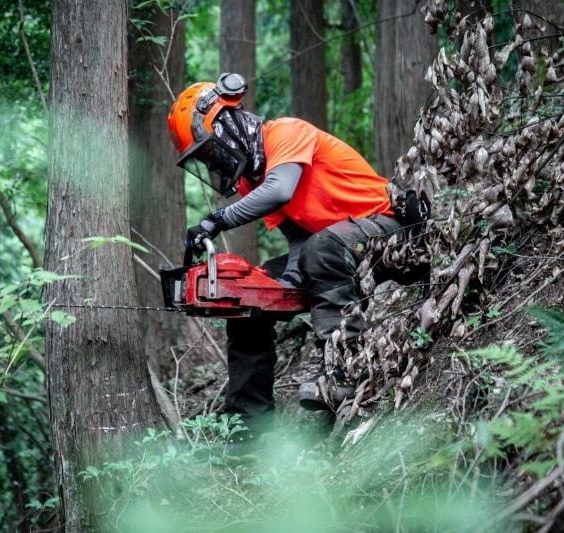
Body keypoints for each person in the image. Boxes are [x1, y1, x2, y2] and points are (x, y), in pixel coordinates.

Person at [167, 73, 405, 434]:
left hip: (384, 226)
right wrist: (285, 282)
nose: (213, 162)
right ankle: (248, 426)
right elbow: (298, 237)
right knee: (250, 289)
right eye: (204, 158)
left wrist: (216, 220)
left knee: (322, 247)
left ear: (224, 125)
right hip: (331, 248)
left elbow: (280, 190)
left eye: (209, 150)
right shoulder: (253, 179)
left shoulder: (285, 132)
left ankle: (342, 373)